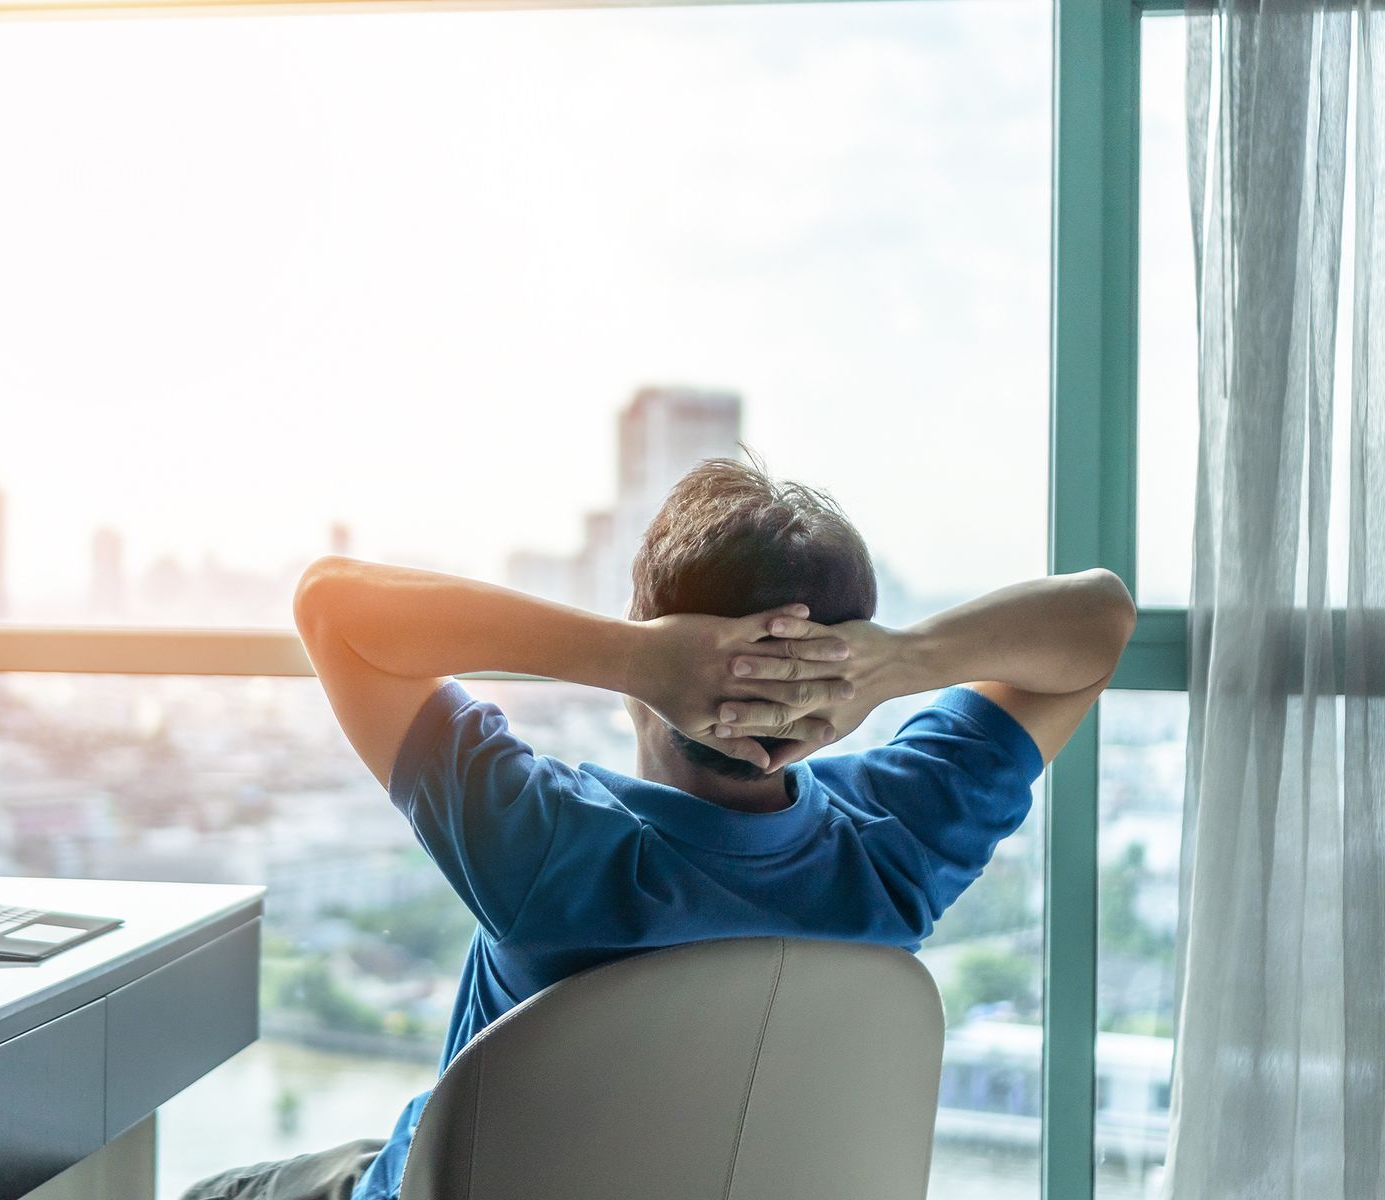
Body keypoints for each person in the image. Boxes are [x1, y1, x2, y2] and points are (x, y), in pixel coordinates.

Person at [180, 457, 1136, 1200]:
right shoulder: (896, 844)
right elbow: (1100, 618)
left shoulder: (549, 847)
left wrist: (631, 657)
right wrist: (897, 664)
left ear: (653, 636)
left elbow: (331, 607)